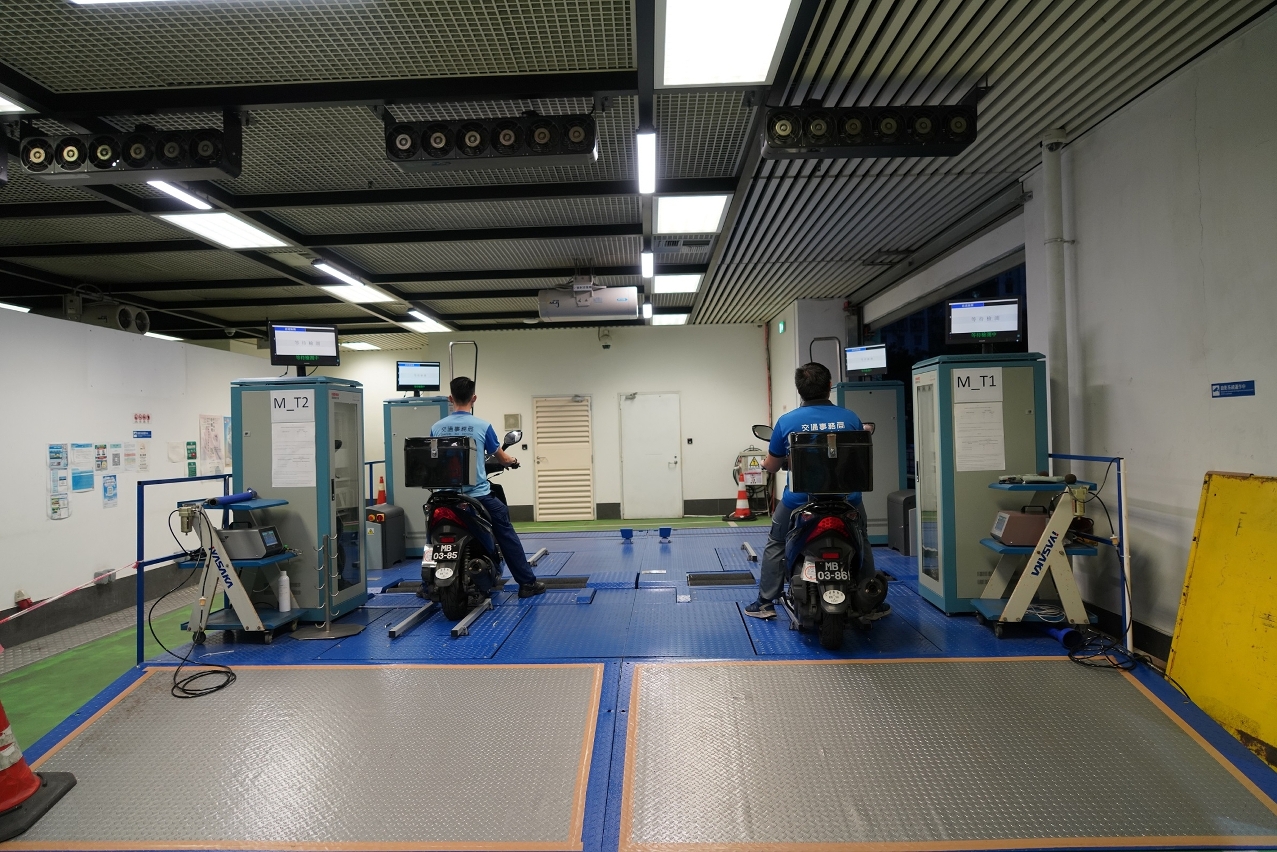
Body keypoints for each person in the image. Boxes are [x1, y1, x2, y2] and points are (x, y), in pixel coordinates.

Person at [744, 362, 884, 619]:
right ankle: (870, 601)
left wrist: (767, 463)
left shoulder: (787, 421)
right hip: (847, 500)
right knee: (861, 539)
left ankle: (765, 602)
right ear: (829, 386)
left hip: (801, 500)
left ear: (799, 389)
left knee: (777, 541)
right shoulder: (850, 418)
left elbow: (772, 466)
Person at [430, 376, 546, 599]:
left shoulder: (436, 427)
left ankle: (427, 586)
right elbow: (502, 458)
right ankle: (527, 583)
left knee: (432, 533)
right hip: (477, 496)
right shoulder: (482, 426)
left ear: (450, 398)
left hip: (443, 496)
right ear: (474, 398)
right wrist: (512, 461)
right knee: (505, 530)